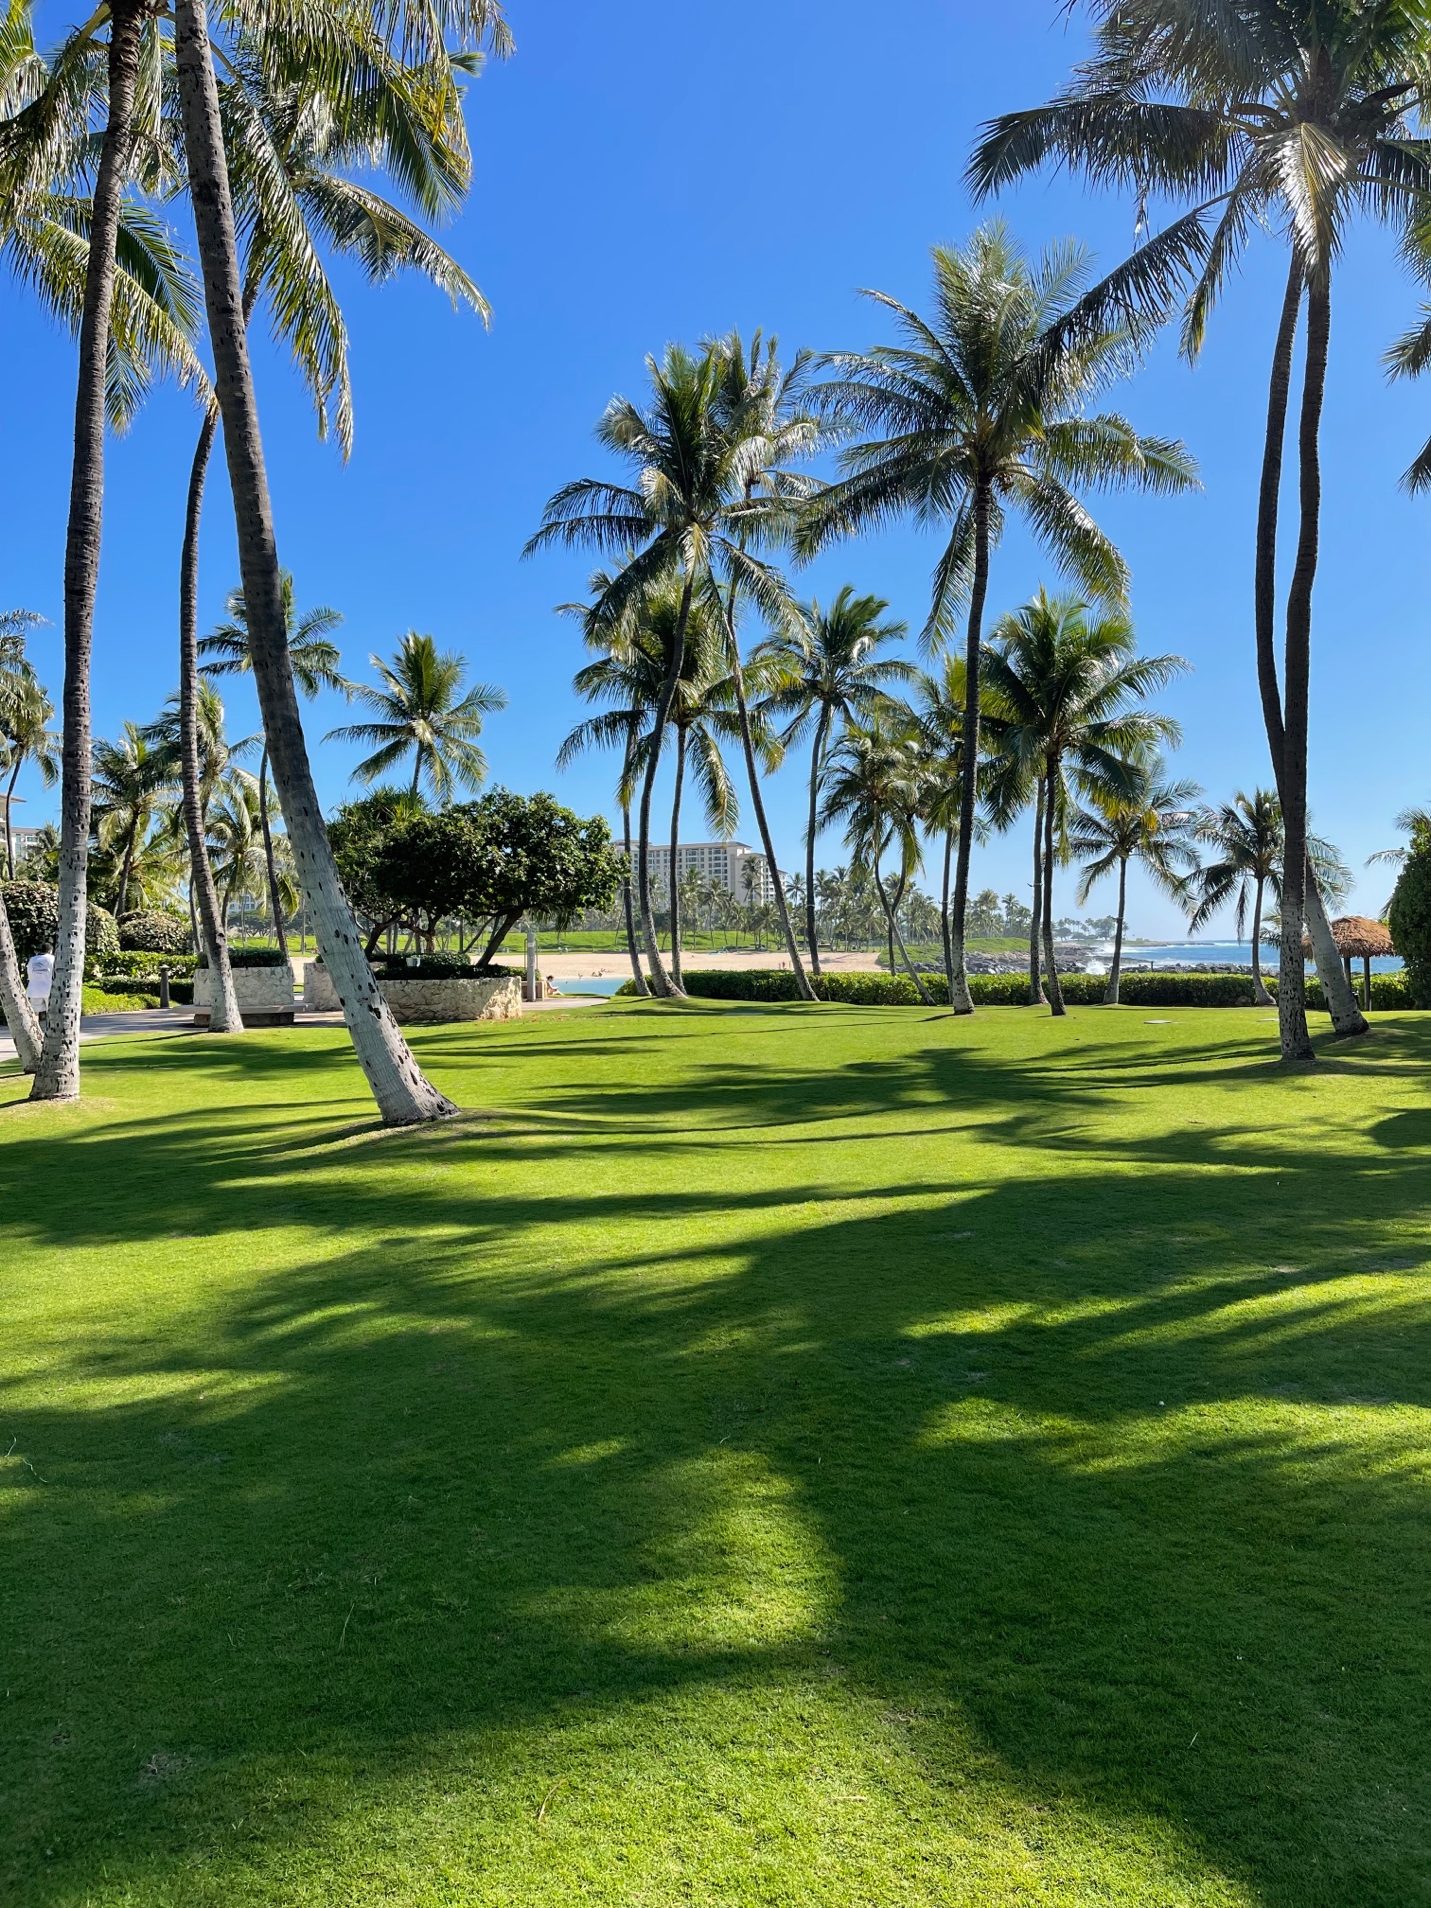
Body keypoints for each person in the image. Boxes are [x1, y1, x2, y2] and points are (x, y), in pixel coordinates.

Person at [26, 948, 53, 1020]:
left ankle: (34, 1030)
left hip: (34, 989)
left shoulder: (32, 959)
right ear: (50, 950)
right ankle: (50, 1029)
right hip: (48, 989)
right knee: (51, 1012)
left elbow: (29, 973)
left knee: (34, 1013)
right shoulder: (52, 958)